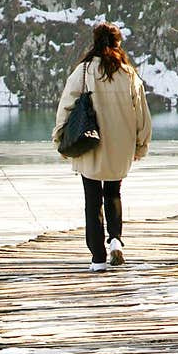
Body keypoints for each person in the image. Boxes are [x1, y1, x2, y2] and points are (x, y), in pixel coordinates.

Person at [52, 22, 152, 272]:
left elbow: (66, 107)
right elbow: (142, 113)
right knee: (114, 192)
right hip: (121, 144)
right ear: (117, 43)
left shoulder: (84, 71)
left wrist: (60, 140)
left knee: (92, 200)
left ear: (95, 42)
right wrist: (141, 144)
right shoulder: (129, 74)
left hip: (90, 143)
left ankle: (97, 259)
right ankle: (115, 240)